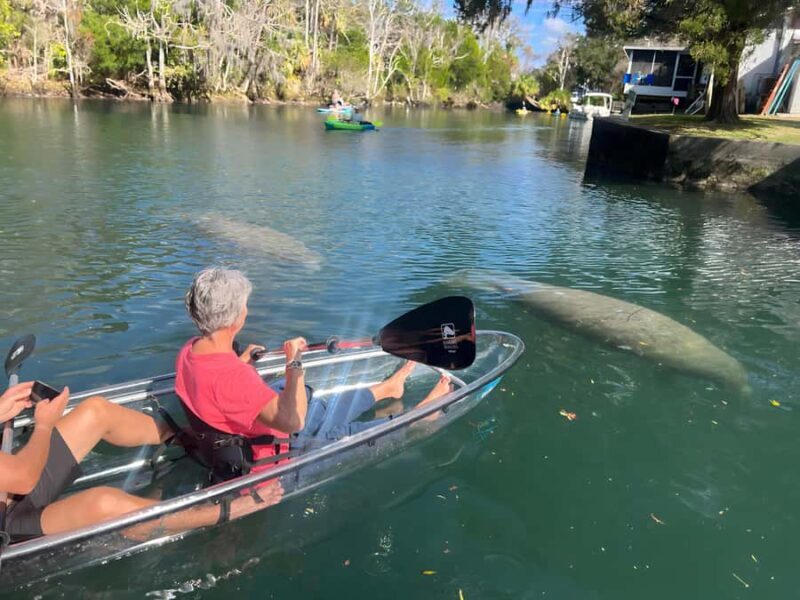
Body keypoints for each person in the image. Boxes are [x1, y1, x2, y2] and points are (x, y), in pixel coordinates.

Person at [175, 267, 451, 483]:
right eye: (246, 305)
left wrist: (243, 360)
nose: (248, 309)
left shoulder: (189, 351)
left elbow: (218, 383)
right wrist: (294, 362)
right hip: (277, 456)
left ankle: (388, 388)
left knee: (324, 408)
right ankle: (420, 417)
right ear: (236, 319)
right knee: (346, 434)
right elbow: (294, 421)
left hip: (256, 431)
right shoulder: (236, 379)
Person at [0, 382, 282, 542]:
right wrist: (45, 426)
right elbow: (24, 477)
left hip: (9, 486)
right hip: (7, 531)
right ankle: (224, 511)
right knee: (104, 504)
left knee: (95, 411)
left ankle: (187, 438)